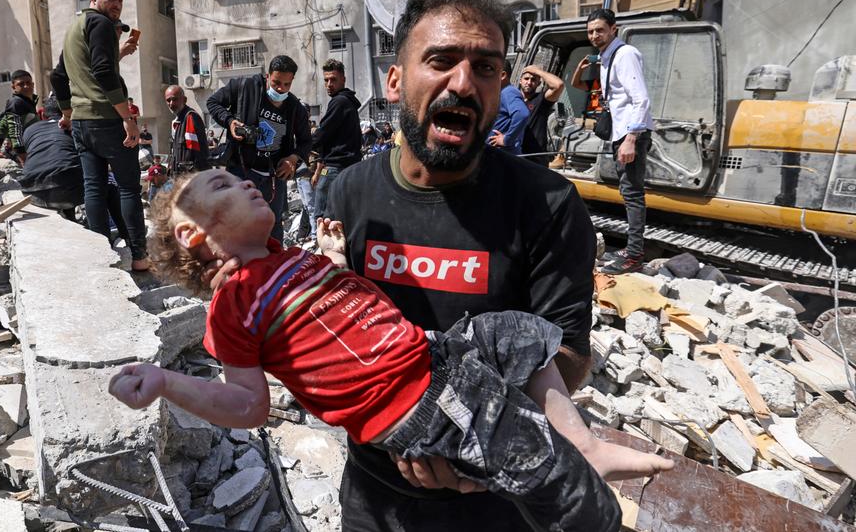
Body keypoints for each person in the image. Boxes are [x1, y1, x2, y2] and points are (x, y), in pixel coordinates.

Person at [113, 169, 671, 531]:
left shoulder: (282, 260)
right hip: (413, 403)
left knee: (517, 333)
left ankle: (581, 441)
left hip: (433, 357)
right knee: (534, 463)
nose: (245, 182)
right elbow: (248, 404)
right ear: (193, 236)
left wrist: (334, 259)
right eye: (222, 187)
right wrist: (166, 383)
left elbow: (332, 315)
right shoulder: (233, 304)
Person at [318, 0, 604, 529]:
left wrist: (470, 438)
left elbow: (567, 354)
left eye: (486, 67)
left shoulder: (546, 204)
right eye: (441, 60)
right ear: (396, 81)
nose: (464, 83)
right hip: (373, 493)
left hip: (493, 496)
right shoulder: (349, 195)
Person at [50, 0, 149, 272]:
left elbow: (60, 76)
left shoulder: (75, 27)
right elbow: (103, 72)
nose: (117, 4)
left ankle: (100, 256)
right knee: (129, 187)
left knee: (94, 187)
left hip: (82, 121)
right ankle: (140, 256)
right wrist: (127, 118)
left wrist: (67, 113)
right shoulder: (102, 24)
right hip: (106, 119)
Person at [571, 9, 654, 275]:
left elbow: (640, 99)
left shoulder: (625, 55)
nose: (595, 35)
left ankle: (634, 256)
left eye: (599, 30)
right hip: (622, 132)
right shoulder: (607, 58)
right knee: (628, 193)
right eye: (590, 31)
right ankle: (632, 250)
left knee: (632, 195)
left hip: (631, 135)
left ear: (613, 29)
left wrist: (631, 139)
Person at [205, 54, 312, 243]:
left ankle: (271, 269)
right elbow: (213, 103)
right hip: (241, 169)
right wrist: (229, 122)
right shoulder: (245, 87)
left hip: (273, 177)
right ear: (268, 76)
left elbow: (305, 141)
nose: (280, 89)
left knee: (272, 225)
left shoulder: (295, 107)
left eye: (286, 84)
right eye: (276, 82)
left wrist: (293, 159)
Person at [310, 59, 362, 225]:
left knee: (321, 216)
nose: (329, 84)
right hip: (346, 167)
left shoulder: (339, 102)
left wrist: (299, 148)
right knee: (340, 217)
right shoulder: (347, 102)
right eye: (326, 80)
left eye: (333, 79)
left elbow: (322, 132)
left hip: (334, 168)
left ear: (343, 80)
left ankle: (322, 249)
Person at [18, 96, 85, 217]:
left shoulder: (29, 130)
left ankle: (70, 219)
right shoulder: (73, 127)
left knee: (63, 173)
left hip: (32, 191)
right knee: (106, 185)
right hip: (70, 189)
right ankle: (122, 232)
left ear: (43, 115)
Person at [519, 65, 564, 167]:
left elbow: (558, 85)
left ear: (539, 83)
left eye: (533, 80)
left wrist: (537, 71)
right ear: (520, 80)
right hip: (515, 154)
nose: (529, 82)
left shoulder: (541, 100)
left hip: (535, 157)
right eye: (526, 79)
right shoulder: (513, 100)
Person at [0, 70, 39, 165]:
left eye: (28, 83)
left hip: (32, 147)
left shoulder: (29, 101)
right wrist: (23, 159)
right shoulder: (16, 103)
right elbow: (15, 130)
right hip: (24, 151)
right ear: (13, 87)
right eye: (21, 84)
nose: (26, 86)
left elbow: (4, 122)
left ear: (33, 84)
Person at [487, 59, 529, 155]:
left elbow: (522, 114)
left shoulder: (509, 92)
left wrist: (506, 139)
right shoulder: (501, 93)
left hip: (502, 156)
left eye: (489, 70)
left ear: (502, 75)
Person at [165, 85, 209, 173]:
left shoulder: (190, 117)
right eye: (168, 100)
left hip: (190, 178)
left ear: (184, 100)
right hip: (180, 178)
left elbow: (195, 153)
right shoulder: (179, 121)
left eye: (174, 99)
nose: (171, 103)